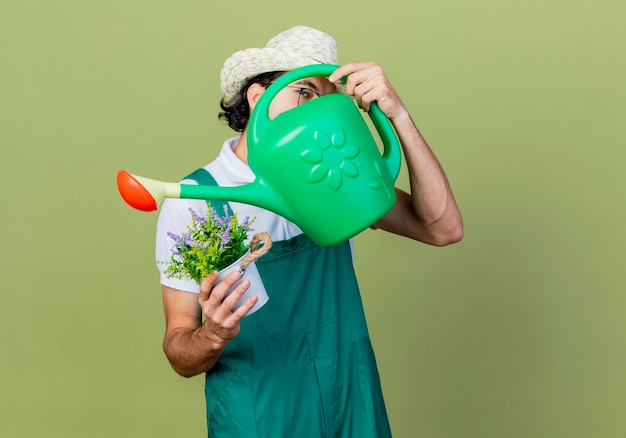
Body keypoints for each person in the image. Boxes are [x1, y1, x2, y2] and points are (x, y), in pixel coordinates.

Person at [155, 25, 463, 437]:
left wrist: (398, 116)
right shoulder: (195, 201)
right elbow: (179, 351)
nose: (318, 109)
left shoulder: (331, 178)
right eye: (305, 92)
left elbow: (442, 228)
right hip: (259, 410)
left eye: (326, 98)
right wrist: (211, 335)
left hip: (348, 395)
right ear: (259, 96)